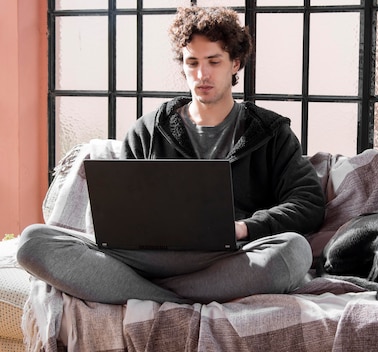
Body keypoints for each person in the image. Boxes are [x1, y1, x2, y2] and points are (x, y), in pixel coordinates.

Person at [17, 6, 326, 305]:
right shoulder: (148, 129)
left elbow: (308, 203)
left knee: (294, 251)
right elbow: (117, 210)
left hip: (226, 256)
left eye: (214, 61)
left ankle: (148, 294)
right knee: (33, 241)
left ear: (235, 64)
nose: (202, 74)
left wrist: (244, 227)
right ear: (183, 65)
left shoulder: (269, 132)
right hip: (147, 257)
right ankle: (180, 297)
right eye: (192, 62)